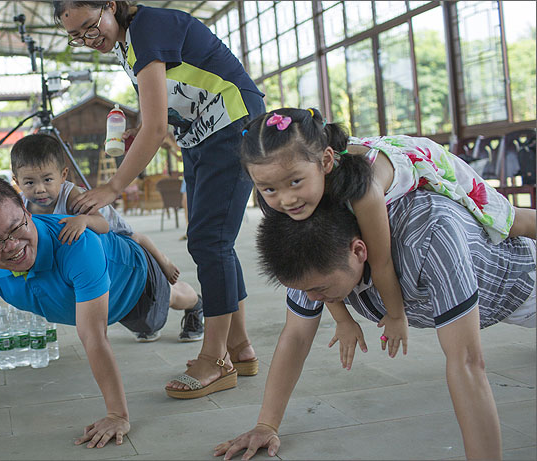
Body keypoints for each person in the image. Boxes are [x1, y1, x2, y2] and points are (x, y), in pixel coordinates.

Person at [215, 191, 536, 460]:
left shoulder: (428, 236)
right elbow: (297, 335)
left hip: (521, 283)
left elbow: (467, 361)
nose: (315, 299)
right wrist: (266, 425)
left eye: (321, 290)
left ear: (359, 250)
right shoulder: (310, 247)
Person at [54, 0, 265, 399]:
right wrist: (138, 129)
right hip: (200, 133)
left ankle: (215, 358)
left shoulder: (148, 27)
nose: (87, 39)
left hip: (230, 121)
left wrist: (113, 187)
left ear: (111, 6)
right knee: (213, 239)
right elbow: (157, 115)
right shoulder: (126, 42)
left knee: (209, 242)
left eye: (89, 25)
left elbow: (155, 128)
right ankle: (240, 348)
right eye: (76, 36)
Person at [0, 175, 206, 445]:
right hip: (95, 303)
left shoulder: (77, 243)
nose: (12, 246)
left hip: (134, 281)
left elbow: (93, 337)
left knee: (171, 299)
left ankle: (197, 305)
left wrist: (117, 415)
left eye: (16, 228)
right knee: (142, 326)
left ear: (27, 213)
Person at [240, 107, 536, 363]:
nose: (286, 199)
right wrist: (344, 320)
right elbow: (314, 269)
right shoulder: (283, 196)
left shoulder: (364, 192)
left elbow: (381, 264)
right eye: (269, 189)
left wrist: (396, 316)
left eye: (295, 182)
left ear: (326, 162)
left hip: (417, 158)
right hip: (348, 164)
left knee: (506, 221)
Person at [9, 134, 202, 342]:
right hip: (100, 261)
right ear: (16, 181)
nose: (39, 189)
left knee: (159, 280)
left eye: (47, 179)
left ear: (63, 175)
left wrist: (83, 220)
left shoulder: (72, 197)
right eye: (29, 182)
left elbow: (102, 225)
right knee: (142, 318)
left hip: (121, 239)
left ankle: (191, 297)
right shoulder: (21, 206)